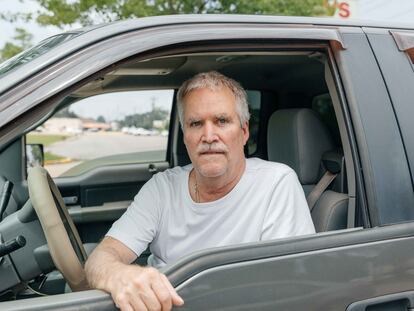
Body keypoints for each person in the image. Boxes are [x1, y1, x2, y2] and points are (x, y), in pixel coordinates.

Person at [85, 71, 315, 311]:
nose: (208, 136)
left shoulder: (276, 183)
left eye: (222, 121)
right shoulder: (162, 188)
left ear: (244, 132)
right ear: (185, 136)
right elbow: (102, 257)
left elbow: (287, 289)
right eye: (196, 124)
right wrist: (120, 275)